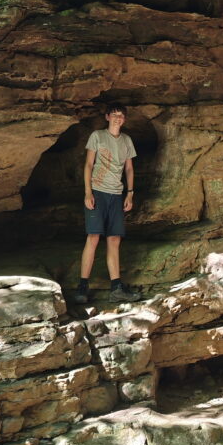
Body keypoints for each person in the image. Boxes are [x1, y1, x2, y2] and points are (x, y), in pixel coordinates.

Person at [74, 103, 141, 305]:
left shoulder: (126, 140)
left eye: (121, 115)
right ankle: (82, 286)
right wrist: (88, 192)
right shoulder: (97, 136)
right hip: (98, 191)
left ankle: (116, 288)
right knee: (93, 236)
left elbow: (129, 169)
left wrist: (130, 193)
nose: (117, 118)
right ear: (107, 117)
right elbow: (88, 164)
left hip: (116, 194)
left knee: (114, 240)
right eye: (114, 114)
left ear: (124, 119)